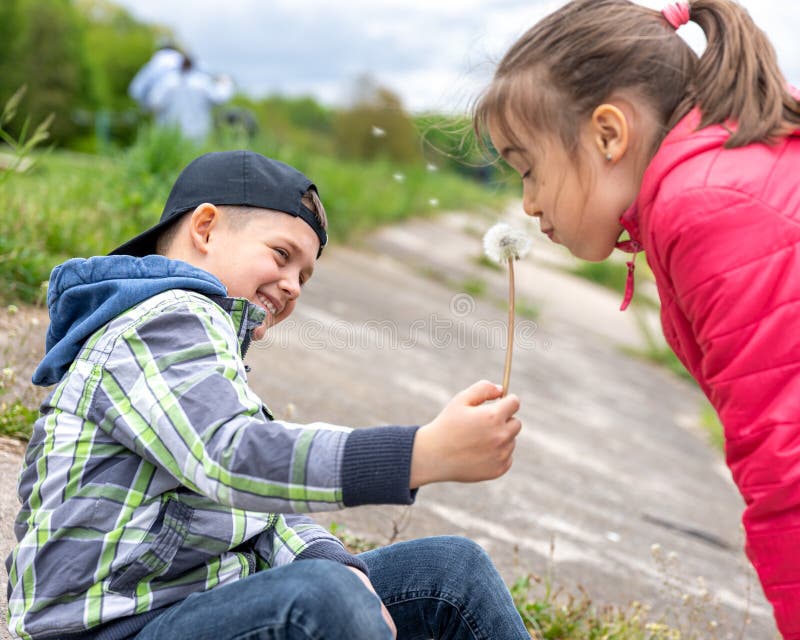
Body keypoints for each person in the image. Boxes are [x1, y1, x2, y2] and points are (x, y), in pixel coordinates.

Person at [6, 150, 529, 640]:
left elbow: (263, 508)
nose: (294, 284)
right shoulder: (158, 324)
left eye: (304, 274)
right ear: (205, 228)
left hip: (199, 603)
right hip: (113, 623)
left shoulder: (208, 344)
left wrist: (330, 558)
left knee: (451, 573)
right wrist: (420, 454)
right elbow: (232, 459)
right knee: (319, 601)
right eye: (281, 255)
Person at [473, 0, 800, 636]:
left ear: (608, 135)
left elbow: (788, 469)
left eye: (529, 168)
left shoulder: (707, 205)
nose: (530, 203)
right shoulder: (721, 177)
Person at [146, 55, 234, 143]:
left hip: (169, 132)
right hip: (197, 133)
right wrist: (225, 83)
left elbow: (153, 103)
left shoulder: (168, 82)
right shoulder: (202, 83)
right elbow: (220, 98)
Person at [128, 43, 184, 111]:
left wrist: (145, 106)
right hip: (184, 101)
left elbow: (136, 90)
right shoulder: (181, 59)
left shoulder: (157, 61)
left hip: (160, 104)